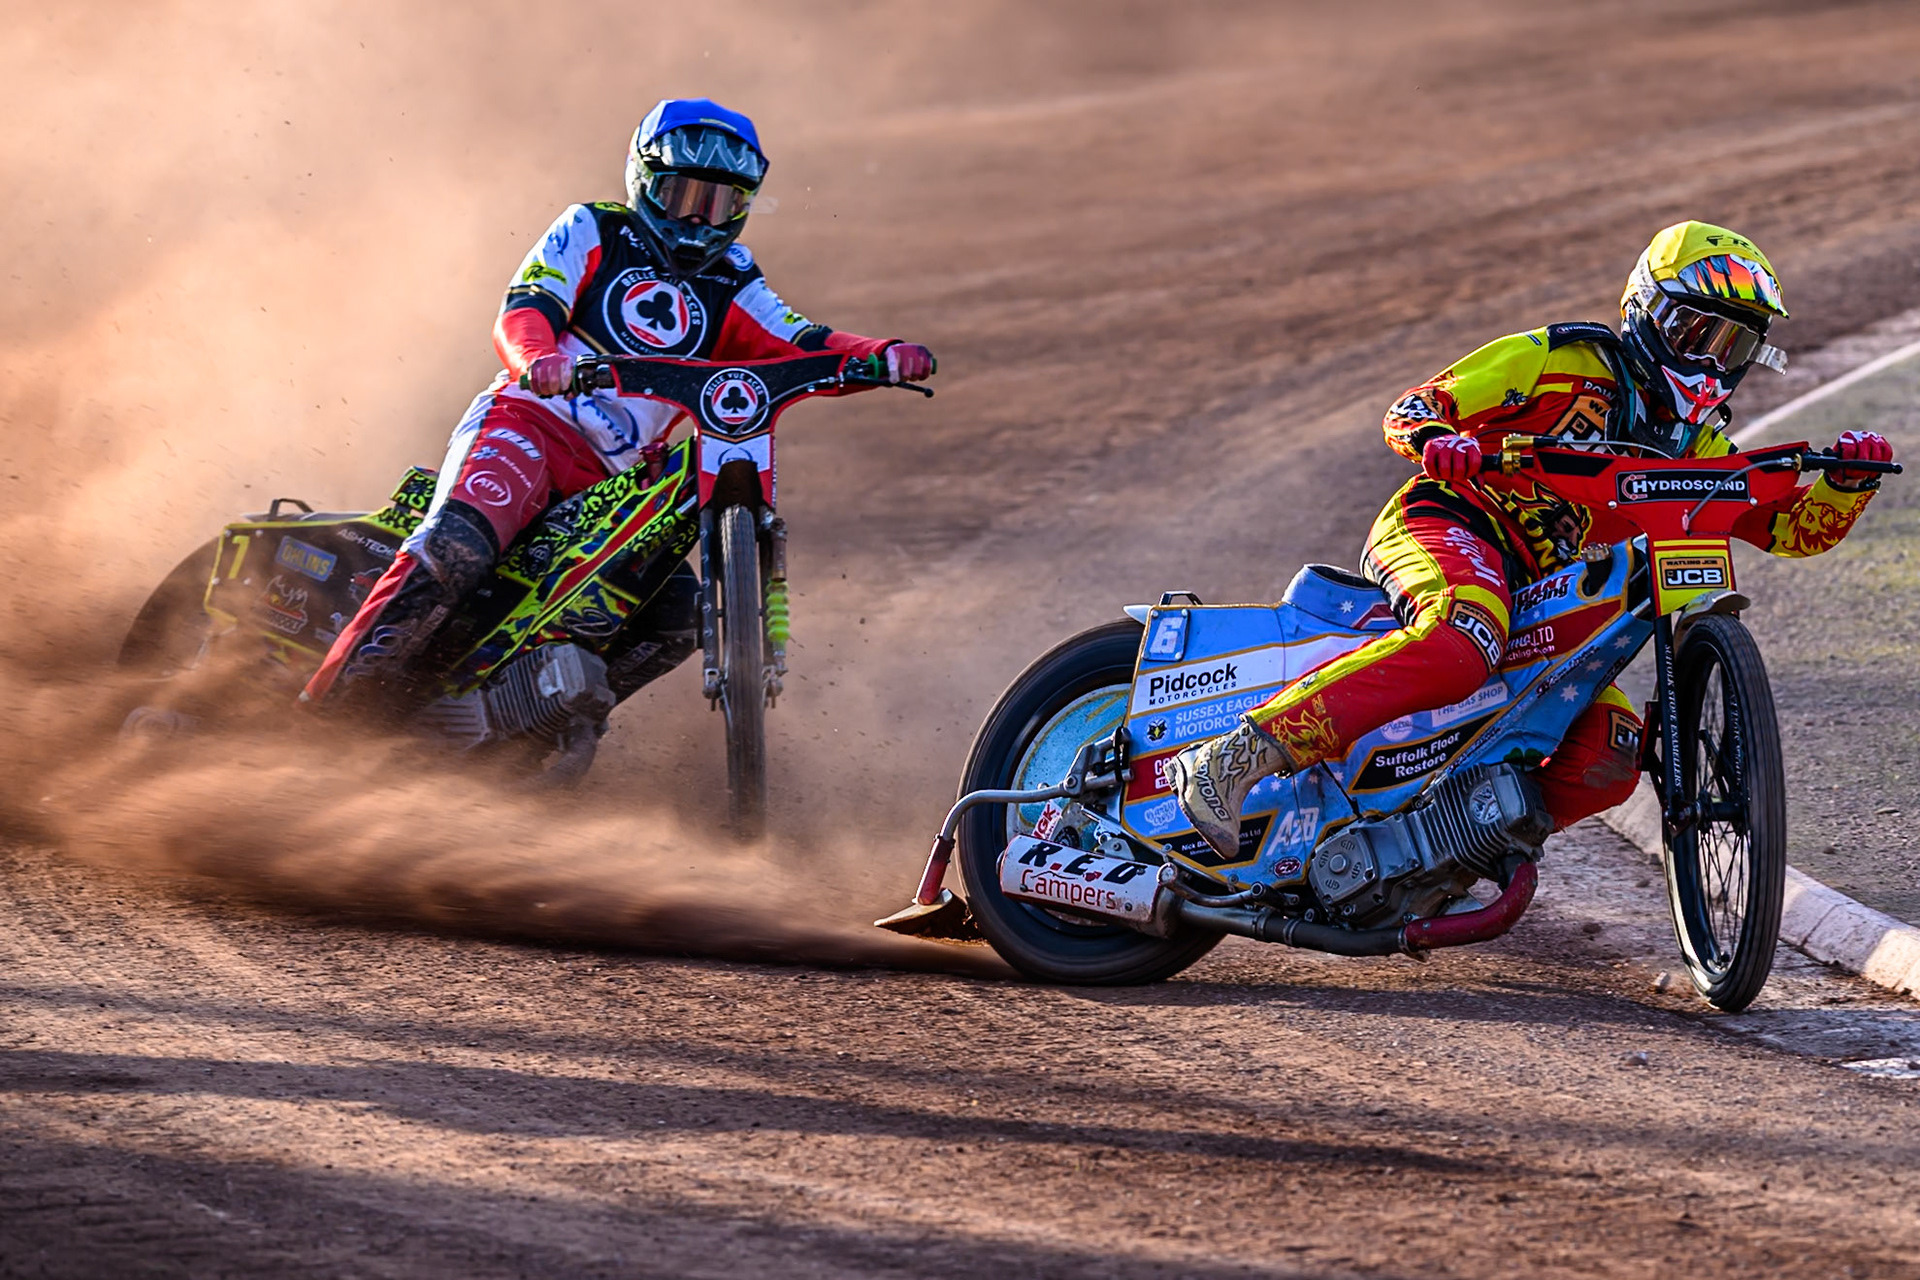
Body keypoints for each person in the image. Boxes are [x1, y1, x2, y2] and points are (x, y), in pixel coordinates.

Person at [1168, 221, 1893, 859]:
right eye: (1692, 333)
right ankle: (1235, 756)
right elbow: (1415, 406)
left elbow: (1789, 530)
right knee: (1463, 641)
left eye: (1731, 344)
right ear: (1645, 312)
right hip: (1451, 521)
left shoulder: (1702, 446)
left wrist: (1846, 481)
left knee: (1610, 752)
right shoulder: (1560, 358)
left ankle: (1459, 847)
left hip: (1544, 595)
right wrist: (1438, 438)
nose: (1707, 360)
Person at [303, 97, 935, 714]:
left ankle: (519, 729)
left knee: (673, 613)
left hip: (617, 487)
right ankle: (325, 712)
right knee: (457, 544)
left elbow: (800, 342)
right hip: (528, 425)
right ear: (644, 180)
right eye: (684, 196)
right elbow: (526, 308)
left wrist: (882, 354)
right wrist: (536, 360)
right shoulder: (594, 228)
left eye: (721, 203)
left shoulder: (734, 278)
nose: (699, 220)